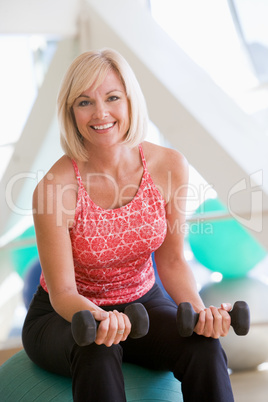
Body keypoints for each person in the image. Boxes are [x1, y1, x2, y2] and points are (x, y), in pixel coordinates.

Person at [22, 48, 234, 402]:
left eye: (112, 97)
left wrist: (200, 314)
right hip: (66, 315)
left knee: (204, 346)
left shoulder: (168, 165)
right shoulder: (54, 189)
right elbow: (62, 292)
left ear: (131, 102)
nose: (101, 113)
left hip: (143, 303)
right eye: (84, 102)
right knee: (97, 349)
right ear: (70, 113)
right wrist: (100, 318)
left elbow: (172, 261)